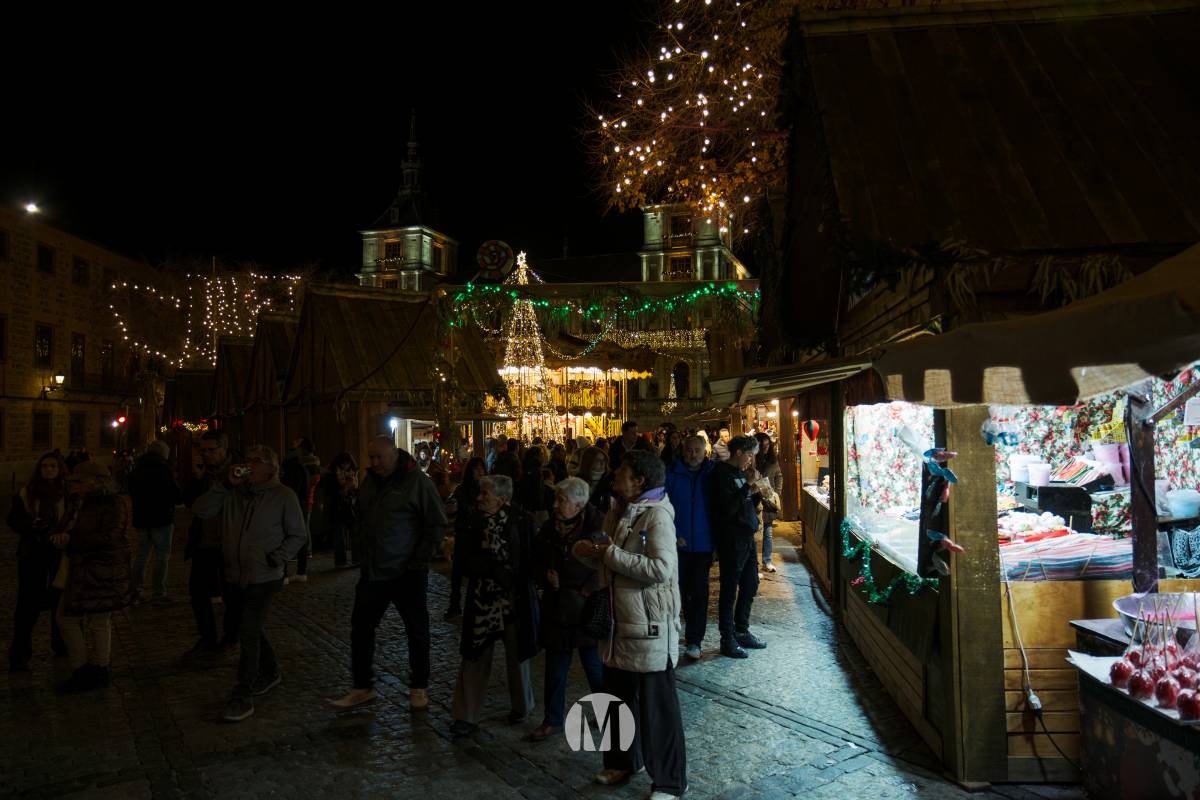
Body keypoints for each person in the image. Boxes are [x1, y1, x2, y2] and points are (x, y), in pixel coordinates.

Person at [575, 449, 686, 799]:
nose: (614, 474)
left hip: (649, 627)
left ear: (639, 480)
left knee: (657, 710)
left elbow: (660, 569)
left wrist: (608, 554)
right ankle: (621, 762)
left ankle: (669, 781)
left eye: (622, 471)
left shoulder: (657, 517)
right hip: (617, 624)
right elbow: (612, 560)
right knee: (616, 698)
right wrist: (590, 552)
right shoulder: (618, 511)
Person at [329, 436, 447, 711]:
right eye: (371, 457)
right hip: (374, 570)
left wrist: (418, 560)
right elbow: (363, 518)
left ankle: (418, 686)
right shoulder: (370, 482)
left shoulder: (416, 482)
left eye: (379, 457)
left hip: (407, 572)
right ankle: (362, 686)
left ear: (394, 454)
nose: (375, 463)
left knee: (416, 630)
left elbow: (436, 522)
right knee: (361, 627)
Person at [192, 445, 307, 721]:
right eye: (247, 460)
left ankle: (243, 692)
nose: (249, 465)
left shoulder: (283, 496)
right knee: (245, 626)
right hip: (233, 574)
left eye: (257, 461)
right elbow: (201, 510)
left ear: (271, 467)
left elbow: (298, 534)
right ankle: (271, 670)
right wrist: (224, 486)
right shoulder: (232, 494)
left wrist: (277, 557)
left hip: (264, 575)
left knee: (248, 629)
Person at [449, 475, 539, 737]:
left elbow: (529, 559)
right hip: (482, 600)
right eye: (480, 493)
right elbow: (462, 559)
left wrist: (517, 577)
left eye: (485, 494)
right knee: (475, 655)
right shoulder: (472, 521)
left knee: (517, 655)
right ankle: (466, 715)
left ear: (501, 499)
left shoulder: (521, 521)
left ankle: (522, 706)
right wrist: (489, 567)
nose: (479, 498)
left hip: (513, 600)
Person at [524, 477, 607, 742]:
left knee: (593, 665)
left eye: (562, 500)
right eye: (556, 499)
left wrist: (583, 589)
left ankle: (608, 715)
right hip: (558, 607)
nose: (556, 505)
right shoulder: (551, 527)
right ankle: (552, 719)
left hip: (586, 606)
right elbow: (536, 559)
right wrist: (545, 576)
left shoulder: (598, 524)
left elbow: (604, 565)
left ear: (578, 505)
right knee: (556, 666)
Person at [55, 460, 134, 692]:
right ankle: (83, 668)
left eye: (78, 481)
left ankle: (98, 669)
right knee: (65, 618)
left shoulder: (113, 503)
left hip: (102, 569)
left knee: (98, 621)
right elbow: (65, 525)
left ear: (95, 482)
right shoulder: (77, 501)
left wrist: (73, 540)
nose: (74, 485)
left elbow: (111, 535)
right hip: (78, 567)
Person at [8, 452, 70, 671]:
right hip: (32, 552)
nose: (49, 469)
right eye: (45, 466)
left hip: (59, 553)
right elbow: (13, 519)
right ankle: (20, 653)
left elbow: (73, 519)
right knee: (27, 603)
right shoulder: (27, 492)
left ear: (59, 469)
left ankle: (61, 644)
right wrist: (30, 526)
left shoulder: (68, 492)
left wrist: (64, 535)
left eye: (53, 466)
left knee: (60, 601)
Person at [182, 431, 241, 660]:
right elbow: (188, 502)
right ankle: (207, 638)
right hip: (204, 543)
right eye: (203, 450)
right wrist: (197, 478)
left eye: (211, 450)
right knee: (198, 593)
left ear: (224, 448)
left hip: (229, 543)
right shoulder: (203, 474)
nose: (206, 454)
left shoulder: (237, 471)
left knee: (231, 594)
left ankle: (231, 637)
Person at [708, 435, 765, 659]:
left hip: (747, 536)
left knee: (751, 583)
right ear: (738, 452)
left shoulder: (742, 473)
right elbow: (727, 509)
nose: (750, 460)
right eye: (749, 455)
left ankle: (742, 630)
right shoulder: (720, 474)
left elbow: (746, 503)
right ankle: (727, 638)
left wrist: (758, 492)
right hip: (731, 538)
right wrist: (748, 486)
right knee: (730, 588)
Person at [665, 435, 715, 659]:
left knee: (700, 592)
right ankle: (675, 633)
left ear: (705, 452)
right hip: (678, 544)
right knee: (680, 591)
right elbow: (664, 507)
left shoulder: (712, 475)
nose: (693, 455)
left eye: (697, 450)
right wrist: (674, 533)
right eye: (689, 450)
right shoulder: (671, 475)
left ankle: (695, 640)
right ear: (682, 451)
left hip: (704, 544)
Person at [128, 440, 181, 605]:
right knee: (161, 557)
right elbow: (176, 495)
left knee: (142, 556)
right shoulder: (164, 470)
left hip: (142, 519)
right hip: (162, 518)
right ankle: (158, 593)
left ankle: (136, 591)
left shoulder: (137, 470)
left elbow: (131, 492)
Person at [445, 456, 486, 621]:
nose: (480, 472)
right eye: (476, 469)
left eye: (482, 469)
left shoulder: (486, 489)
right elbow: (451, 510)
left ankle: (476, 606)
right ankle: (454, 605)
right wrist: (452, 508)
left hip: (480, 536)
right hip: (464, 535)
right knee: (458, 572)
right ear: (470, 471)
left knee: (478, 573)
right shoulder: (461, 490)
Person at [281, 438, 321, 583]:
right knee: (302, 533)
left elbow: (292, 486)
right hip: (305, 502)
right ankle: (301, 570)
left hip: (298, 502)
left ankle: (285, 573)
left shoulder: (295, 464)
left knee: (289, 535)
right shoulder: (313, 464)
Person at [310, 452, 360, 569]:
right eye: (343, 463)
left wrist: (352, 490)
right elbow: (329, 493)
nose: (345, 466)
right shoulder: (331, 474)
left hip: (351, 507)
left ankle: (357, 559)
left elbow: (356, 490)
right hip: (337, 508)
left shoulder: (353, 472)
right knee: (339, 537)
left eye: (347, 463)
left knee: (356, 535)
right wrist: (344, 489)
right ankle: (340, 562)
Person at [754, 432, 782, 574]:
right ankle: (753, 563)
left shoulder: (773, 459)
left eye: (767, 444)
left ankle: (767, 561)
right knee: (754, 534)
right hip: (756, 500)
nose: (766, 447)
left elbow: (779, 476)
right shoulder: (752, 459)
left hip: (769, 500)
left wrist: (777, 493)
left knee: (768, 532)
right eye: (762, 445)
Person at [514, 447, 555, 527]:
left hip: (526, 506)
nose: (543, 456)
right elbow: (537, 491)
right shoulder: (536, 471)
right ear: (536, 456)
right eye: (541, 454)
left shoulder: (525, 468)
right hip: (535, 508)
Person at [578, 446, 615, 513]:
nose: (602, 463)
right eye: (598, 460)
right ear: (588, 461)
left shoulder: (610, 480)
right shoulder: (578, 480)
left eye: (604, 460)